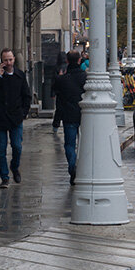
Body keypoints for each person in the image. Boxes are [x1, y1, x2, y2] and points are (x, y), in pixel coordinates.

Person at [0, 48, 32, 189]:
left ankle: (14, 166)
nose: (8, 62)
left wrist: (24, 112)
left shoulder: (20, 75)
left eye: (10, 59)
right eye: (5, 60)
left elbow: (26, 96)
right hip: (0, 117)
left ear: (14, 60)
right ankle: (4, 178)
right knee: (1, 149)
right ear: (1, 61)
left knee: (17, 146)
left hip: (16, 117)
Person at [51, 50, 86, 185]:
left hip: (68, 116)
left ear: (67, 61)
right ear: (79, 61)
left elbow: (55, 89)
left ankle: (73, 168)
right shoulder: (85, 77)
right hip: (84, 115)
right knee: (83, 144)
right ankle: (81, 169)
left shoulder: (62, 79)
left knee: (69, 145)